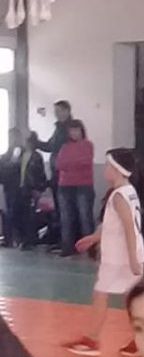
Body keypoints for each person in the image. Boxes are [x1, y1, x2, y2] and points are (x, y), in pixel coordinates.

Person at [64, 149, 144, 357]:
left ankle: (93, 340)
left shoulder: (119, 196)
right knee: (132, 299)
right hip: (126, 253)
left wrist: (133, 259)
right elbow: (113, 225)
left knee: (101, 293)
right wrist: (94, 238)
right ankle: (140, 340)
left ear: (116, 169)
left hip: (119, 256)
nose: (104, 169)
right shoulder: (128, 191)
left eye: (108, 166)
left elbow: (128, 227)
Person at [55, 119, 95, 257]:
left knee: (85, 218)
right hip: (64, 186)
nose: (74, 133)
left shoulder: (88, 145)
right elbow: (59, 164)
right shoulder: (64, 147)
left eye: (76, 130)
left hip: (83, 186)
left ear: (81, 131)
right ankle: (67, 248)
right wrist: (73, 164)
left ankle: (90, 249)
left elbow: (85, 161)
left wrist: (70, 164)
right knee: (65, 218)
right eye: (71, 130)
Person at [36, 100, 74, 238]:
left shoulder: (69, 129)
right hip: (56, 173)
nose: (56, 114)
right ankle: (60, 239)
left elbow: (56, 147)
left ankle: (67, 240)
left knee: (66, 209)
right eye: (55, 112)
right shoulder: (58, 129)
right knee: (59, 208)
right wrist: (36, 143)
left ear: (67, 111)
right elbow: (50, 146)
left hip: (65, 174)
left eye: (59, 111)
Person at [14, 132, 49, 251]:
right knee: (19, 213)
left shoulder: (36, 156)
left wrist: (39, 188)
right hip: (20, 188)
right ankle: (21, 238)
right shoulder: (20, 154)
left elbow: (40, 174)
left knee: (30, 215)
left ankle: (30, 240)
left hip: (31, 188)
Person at [0, 128, 22, 247]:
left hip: (20, 187)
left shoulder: (23, 153)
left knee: (17, 213)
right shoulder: (5, 156)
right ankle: (8, 238)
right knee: (7, 212)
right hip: (8, 187)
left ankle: (18, 238)